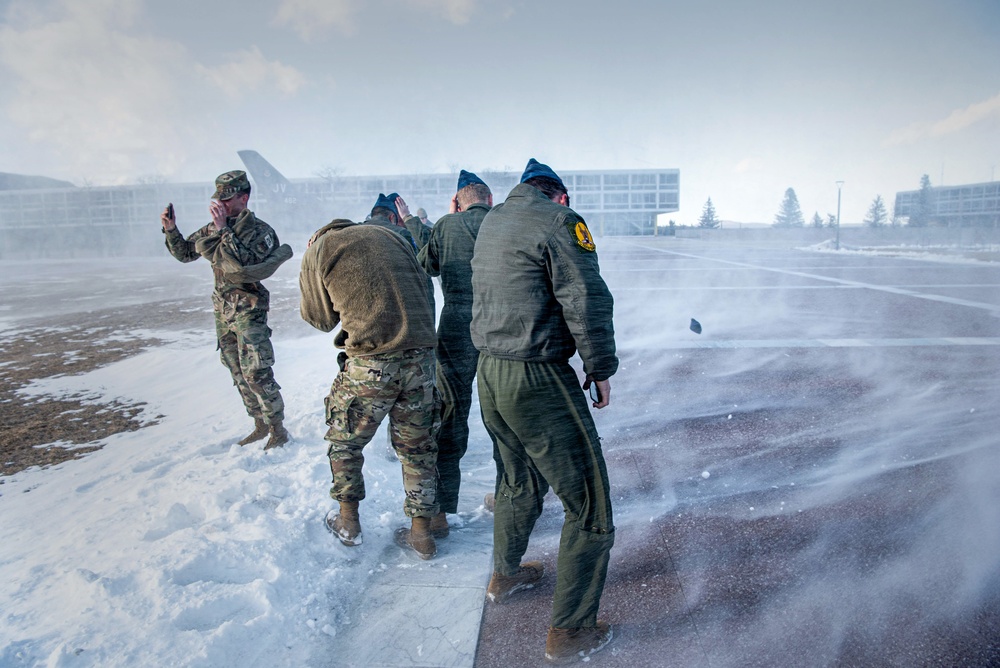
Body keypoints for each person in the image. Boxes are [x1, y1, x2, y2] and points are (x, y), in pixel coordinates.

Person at [470, 158, 618, 663]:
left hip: (488, 372)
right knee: (589, 506)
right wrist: (599, 366)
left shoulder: (494, 219)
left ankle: (506, 575)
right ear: (560, 196)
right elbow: (586, 295)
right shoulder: (560, 222)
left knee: (517, 480)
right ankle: (571, 631)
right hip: (536, 375)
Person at [299, 218, 440, 560]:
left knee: (344, 441)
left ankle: (348, 523)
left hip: (372, 362)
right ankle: (422, 534)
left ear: (316, 236)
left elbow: (319, 319)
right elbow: (426, 290)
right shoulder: (391, 236)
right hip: (421, 359)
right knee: (417, 448)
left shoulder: (319, 249)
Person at [160, 170, 292, 449]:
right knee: (236, 371)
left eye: (227, 199)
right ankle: (258, 424)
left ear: (243, 198)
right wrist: (171, 230)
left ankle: (278, 429)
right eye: (219, 199)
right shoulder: (211, 229)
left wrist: (223, 231)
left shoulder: (261, 232)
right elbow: (185, 253)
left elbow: (243, 267)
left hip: (249, 310)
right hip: (223, 311)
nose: (221, 205)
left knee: (257, 371)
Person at [416, 170, 492, 536]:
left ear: (457, 204)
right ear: (490, 200)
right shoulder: (503, 222)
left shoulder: (447, 225)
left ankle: (441, 512)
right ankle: (508, 494)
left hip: (456, 326)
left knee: (451, 414)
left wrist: (435, 224)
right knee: (503, 412)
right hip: (501, 325)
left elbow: (424, 267)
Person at [366, 193, 435, 318]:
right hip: (408, 309)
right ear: (393, 217)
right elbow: (428, 254)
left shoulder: (358, 232)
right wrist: (408, 218)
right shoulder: (403, 234)